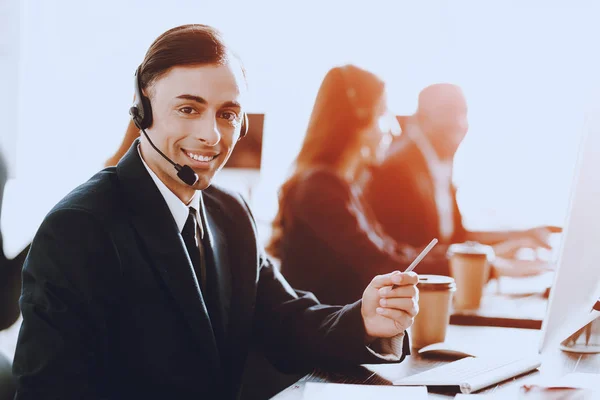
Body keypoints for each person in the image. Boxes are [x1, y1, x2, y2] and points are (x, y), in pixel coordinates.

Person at [12, 25, 420, 400]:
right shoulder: (80, 227)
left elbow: (283, 318)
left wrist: (366, 319)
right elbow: (49, 389)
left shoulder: (229, 212)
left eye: (226, 114)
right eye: (188, 109)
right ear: (143, 110)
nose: (211, 136)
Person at [266, 65, 446, 306]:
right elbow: (380, 264)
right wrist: (471, 265)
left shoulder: (344, 187)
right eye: (383, 114)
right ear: (356, 123)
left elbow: (390, 251)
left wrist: (461, 256)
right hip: (321, 335)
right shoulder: (319, 189)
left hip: (340, 328)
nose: (393, 128)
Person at [365, 83, 561, 278]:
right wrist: (490, 264)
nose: (459, 123)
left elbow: (457, 237)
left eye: (463, 113)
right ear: (423, 119)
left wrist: (519, 237)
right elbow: (403, 256)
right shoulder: (396, 171)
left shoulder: (437, 163)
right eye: (448, 112)